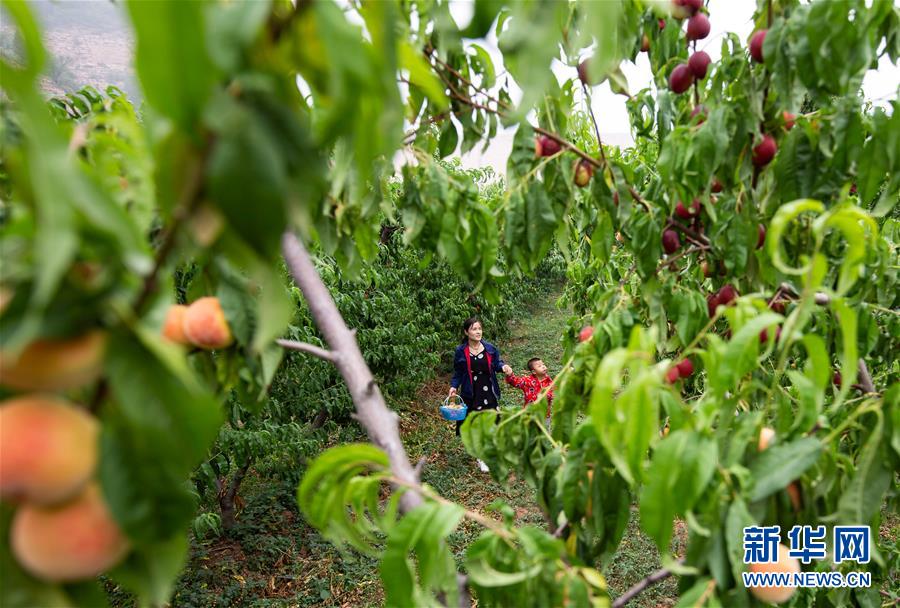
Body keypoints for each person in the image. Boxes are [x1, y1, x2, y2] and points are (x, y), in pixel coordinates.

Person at [448, 317, 511, 471]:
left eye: (479, 329)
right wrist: (454, 386)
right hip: (472, 392)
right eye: (474, 329)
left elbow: (497, 364)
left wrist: (503, 367)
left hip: (488, 390)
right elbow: (458, 372)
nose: (478, 332)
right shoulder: (461, 351)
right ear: (466, 332)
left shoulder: (490, 348)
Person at [504, 357, 554, 428]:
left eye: (543, 364)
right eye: (539, 366)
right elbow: (516, 382)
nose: (543, 366)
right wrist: (510, 375)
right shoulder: (527, 381)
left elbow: (553, 393)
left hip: (544, 414)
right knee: (530, 431)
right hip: (529, 413)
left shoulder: (549, 381)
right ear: (534, 372)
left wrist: (547, 395)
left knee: (544, 431)